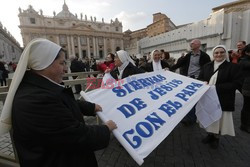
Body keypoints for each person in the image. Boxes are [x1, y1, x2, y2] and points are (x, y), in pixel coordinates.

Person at [0, 38, 117, 167]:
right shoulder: (35, 101)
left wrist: (90, 107)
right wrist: (106, 129)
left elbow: (63, 101)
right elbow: (76, 137)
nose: (66, 69)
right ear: (44, 64)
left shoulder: (37, 86)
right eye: (62, 63)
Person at [198, 45, 242, 149]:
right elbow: (200, 78)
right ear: (213, 54)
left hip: (223, 99)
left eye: (222, 52)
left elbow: (236, 83)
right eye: (216, 53)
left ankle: (216, 138)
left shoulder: (232, 67)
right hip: (208, 99)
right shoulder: (207, 66)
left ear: (226, 53)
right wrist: (202, 82)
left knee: (219, 120)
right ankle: (210, 135)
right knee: (210, 118)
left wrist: (215, 87)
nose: (219, 54)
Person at [170, 39, 211, 125]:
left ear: (198, 45)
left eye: (192, 43)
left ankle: (191, 118)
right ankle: (190, 117)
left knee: (194, 100)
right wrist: (169, 69)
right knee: (188, 99)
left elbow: (207, 68)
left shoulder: (204, 56)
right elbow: (180, 64)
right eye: (190, 43)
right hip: (188, 80)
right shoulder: (188, 55)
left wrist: (205, 79)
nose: (190, 45)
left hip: (198, 81)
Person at [238, 43, 250, 133]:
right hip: (247, 87)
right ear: (248, 52)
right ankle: (244, 125)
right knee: (247, 106)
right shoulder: (244, 61)